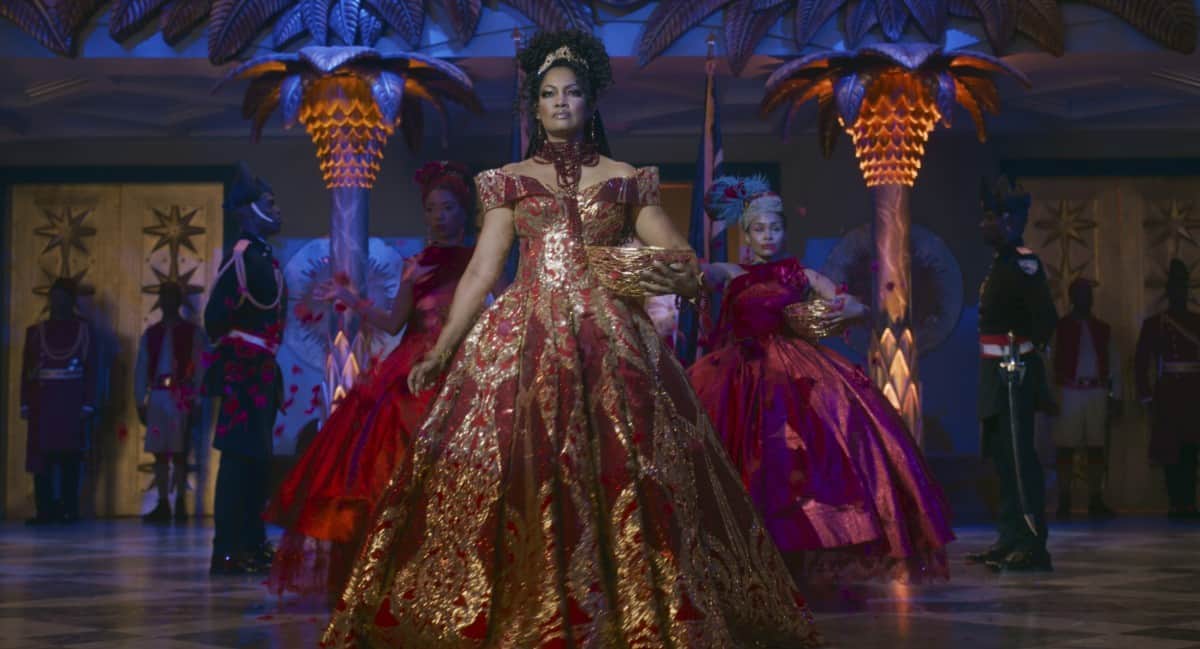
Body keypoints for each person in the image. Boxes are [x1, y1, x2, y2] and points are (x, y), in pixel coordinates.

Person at [322, 30, 819, 648]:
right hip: (525, 336)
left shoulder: (626, 179)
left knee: (631, 470)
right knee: (519, 471)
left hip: (612, 340)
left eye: (573, 92)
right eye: (549, 93)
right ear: (535, 106)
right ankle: (523, 611)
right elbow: (482, 272)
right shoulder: (508, 181)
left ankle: (629, 611)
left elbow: (680, 257)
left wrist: (653, 271)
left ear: (590, 101)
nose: (561, 102)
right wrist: (445, 348)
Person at [686, 176, 954, 584]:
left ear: (785, 232)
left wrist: (846, 309)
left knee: (796, 458)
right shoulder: (732, 271)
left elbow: (852, 305)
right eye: (759, 229)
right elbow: (698, 276)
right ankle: (741, 556)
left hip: (791, 373)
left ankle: (793, 553)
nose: (768, 235)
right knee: (740, 457)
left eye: (775, 228)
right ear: (747, 234)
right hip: (738, 374)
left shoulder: (802, 275)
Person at [264, 161, 478, 599]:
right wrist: (350, 298)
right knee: (386, 460)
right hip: (412, 365)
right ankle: (391, 568)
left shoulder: (481, 261)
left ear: (464, 211)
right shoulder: (416, 264)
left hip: (463, 362)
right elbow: (395, 322)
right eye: (431, 209)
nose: (438, 217)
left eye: (447, 207)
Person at [967, 178, 1058, 572]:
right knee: (1003, 457)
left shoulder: (1024, 262)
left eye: (989, 217)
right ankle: (1010, 537)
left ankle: (1032, 543)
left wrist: (1023, 357)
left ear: (1008, 221)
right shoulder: (1002, 263)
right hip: (995, 373)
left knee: (1020, 459)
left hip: (1012, 372)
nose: (982, 224)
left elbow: (1045, 319)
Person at [204, 162, 288, 575]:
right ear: (249, 212)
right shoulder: (239, 257)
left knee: (256, 461)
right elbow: (214, 319)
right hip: (243, 374)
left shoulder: (263, 257)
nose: (277, 210)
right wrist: (240, 353)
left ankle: (253, 543)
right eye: (269, 203)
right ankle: (228, 550)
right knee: (238, 462)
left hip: (262, 371)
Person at [20, 277, 98, 525]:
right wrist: (25, 402)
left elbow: (92, 369)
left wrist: (88, 403)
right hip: (43, 401)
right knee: (41, 459)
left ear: (71, 301)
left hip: (70, 400)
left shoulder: (84, 331)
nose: (58, 303)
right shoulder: (36, 332)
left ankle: (69, 508)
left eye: (63, 298)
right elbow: (27, 371)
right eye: (54, 298)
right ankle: (44, 509)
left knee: (70, 457)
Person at [1134, 259, 1200, 521]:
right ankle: (1176, 502)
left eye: (1182, 286)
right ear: (1168, 290)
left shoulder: (1196, 321)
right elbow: (1141, 363)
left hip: (1194, 392)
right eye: (1174, 286)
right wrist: (1146, 396)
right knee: (1171, 451)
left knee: (1191, 450)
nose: (1178, 292)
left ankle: (1189, 503)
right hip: (1169, 393)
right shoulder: (1155, 323)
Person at [136, 282, 207, 524]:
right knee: (159, 453)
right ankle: (163, 502)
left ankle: (181, 503)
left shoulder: (192, 333)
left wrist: (197, 399)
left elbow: (200, 367)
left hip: (181, 396)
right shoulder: (151, 334)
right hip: (158, 395)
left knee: (179, 452)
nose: (167, 302)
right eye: (164, 297)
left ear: (178, 301)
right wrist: (140, 400)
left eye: (171, 297)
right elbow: (142, 367)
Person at [1051, 277, 1120, 520]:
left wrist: (1116, 396)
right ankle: (1064, 500)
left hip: (1096, 392)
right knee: (1065, 448)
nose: (1086, 299)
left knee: (1096, 448)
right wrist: (1050, 395)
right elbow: (1051, 360)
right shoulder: (1061, 328)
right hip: (1069, 392)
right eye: (1081, 294)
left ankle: (1095, 499)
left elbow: (1114, 364)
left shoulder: (1102, 329)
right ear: (1073, 298)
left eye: (1088, 295)